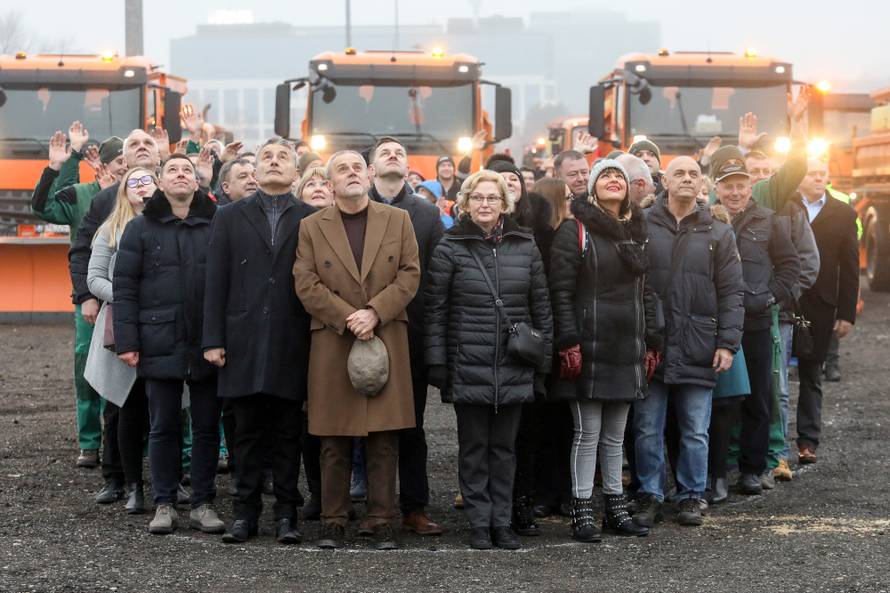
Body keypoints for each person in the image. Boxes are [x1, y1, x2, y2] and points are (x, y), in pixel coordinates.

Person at [294, 149, 421, 551]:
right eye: (341, 169)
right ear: (329, 183)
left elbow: (410, 274)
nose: (351, 174)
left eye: (356, 168)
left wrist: (375, 312)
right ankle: (333, 520)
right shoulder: (311, 226)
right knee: (333, 437)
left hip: (385, 334)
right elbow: (305, 282)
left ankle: (382, 521)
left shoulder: (398, 220)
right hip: (334, 337)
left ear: (368, 176)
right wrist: (349, 316)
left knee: (384, 435)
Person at [425, 170, 553, 550]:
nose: (485, 204)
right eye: (477, 197)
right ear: (465, 203)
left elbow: (541, 308)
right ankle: (479, 522)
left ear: (504, 203)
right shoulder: (449, 247)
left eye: (492, 198)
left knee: (505, 449)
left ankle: (502, 521)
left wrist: (543, 365)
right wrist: (438, 362)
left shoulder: (525, 245)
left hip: (514, 363)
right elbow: (436, 309)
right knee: (473, 449)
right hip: (468, 360)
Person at [203, 139, 316, 545]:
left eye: (282, 157)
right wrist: (212, 339)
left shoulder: (312, 217)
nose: (273, 162)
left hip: (292, 337)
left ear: (295, 172)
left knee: (288, 432)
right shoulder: (229, 216)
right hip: (242, 338)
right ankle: (244, 513)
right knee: (246, 433)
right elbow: (215, 279)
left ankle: (286, 514)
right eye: (266, 156)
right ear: (254, 170)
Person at [113, 154, 223, 536]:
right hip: (158, 337)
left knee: (207, 426)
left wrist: (223, 337)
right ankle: (164, 502)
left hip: (208, 340)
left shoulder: (216, 224)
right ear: (160, 182)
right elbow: (125, 288)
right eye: (172, 170)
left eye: (187, 170)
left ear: (197, 182)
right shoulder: (139, 228)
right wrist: (127, 341)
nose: (180, 175)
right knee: (162, 425)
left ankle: (203, 502)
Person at [633, 156, 744, 528]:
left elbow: (732, 293)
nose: (686, 178)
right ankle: (649, 494)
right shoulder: (641, 224)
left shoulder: (719, 232)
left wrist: (727, 343)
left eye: (693, 174)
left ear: (702, 184)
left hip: (698, 343)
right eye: (678, 173)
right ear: (664, 181)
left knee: (696, 430)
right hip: (652, 343)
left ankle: (692, 496)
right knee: (647, 428)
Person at [550, 160, 656, 542]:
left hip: (627, 346)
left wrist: (653, 341)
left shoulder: (637, 232)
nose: (613, 180)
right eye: (605, 176)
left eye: (619, 176)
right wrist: (568, 341)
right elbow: (560, 292)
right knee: (587, 433)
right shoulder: (574, 230)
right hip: (588, 345)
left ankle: (615, 507)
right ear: (592, 188)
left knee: (615, 436)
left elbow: (647, 292)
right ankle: (581, 511)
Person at [31, 125, 125, 468]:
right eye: (119, 162)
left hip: (131, 297)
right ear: (104, 164)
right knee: (87, 365)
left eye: (130, 162)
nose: (125, 168)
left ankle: (131, 441)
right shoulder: (83, 195)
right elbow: (42, 208)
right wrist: (58, 165)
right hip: (92, 298)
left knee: (133, 367)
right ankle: (90, 442)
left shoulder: (145, 195)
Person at [367, 137, 445, 536]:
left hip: (410, 333)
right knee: (363, 424)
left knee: (411, 426)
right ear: (371, 168)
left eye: (399, 152)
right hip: (361, 331)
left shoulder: (426, 214)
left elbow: (435, 279)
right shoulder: (353, 206)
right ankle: (368, 506)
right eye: (385, 152)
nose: (393, 155)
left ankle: (414, 506)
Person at [712, 156, 800, 495]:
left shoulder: (769, 220)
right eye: (728, 186)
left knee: (758, 398)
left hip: (756, 322)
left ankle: (752, 468)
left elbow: (790, 266)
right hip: (717, 324)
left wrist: (770, 297)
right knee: (719, 401)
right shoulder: (706, 220)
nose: (735, 192)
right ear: (716, 189)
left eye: (740, 186)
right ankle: (717, 470)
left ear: (751, 188)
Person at [83, 167, 156, 513]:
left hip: (161, 326)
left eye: (147, 181)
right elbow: (94, 279)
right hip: (121, 325)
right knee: (120, 406)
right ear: (124, 191)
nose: (141, 188)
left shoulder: (170, 227)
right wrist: (128, 298)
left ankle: (166, 481)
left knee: (164, 407)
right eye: (133, 183)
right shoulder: (109, 230)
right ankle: (120, 480)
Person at [489, 159, 556, 534]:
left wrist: (544, 354)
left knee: (526, 432)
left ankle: (522, 501)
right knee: (489, 436)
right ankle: (489, 505)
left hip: (525, 346)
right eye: (499, 178)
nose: (508, 183)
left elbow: (545, 299)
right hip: (484, 344)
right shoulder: (472, 232)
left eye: (513, 178)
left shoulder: (541, 233)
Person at [794, 158, 859, 464]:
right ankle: (768, 446)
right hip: (785, 301)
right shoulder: (785, 206)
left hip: (821, 305)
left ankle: (808, 441)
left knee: (811, 374)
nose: (818, 178)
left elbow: (850, 267)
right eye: (812, 174)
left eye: (823, 174)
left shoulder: (843, 213)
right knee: (774, 378)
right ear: (799, 176)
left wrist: (846, 313)